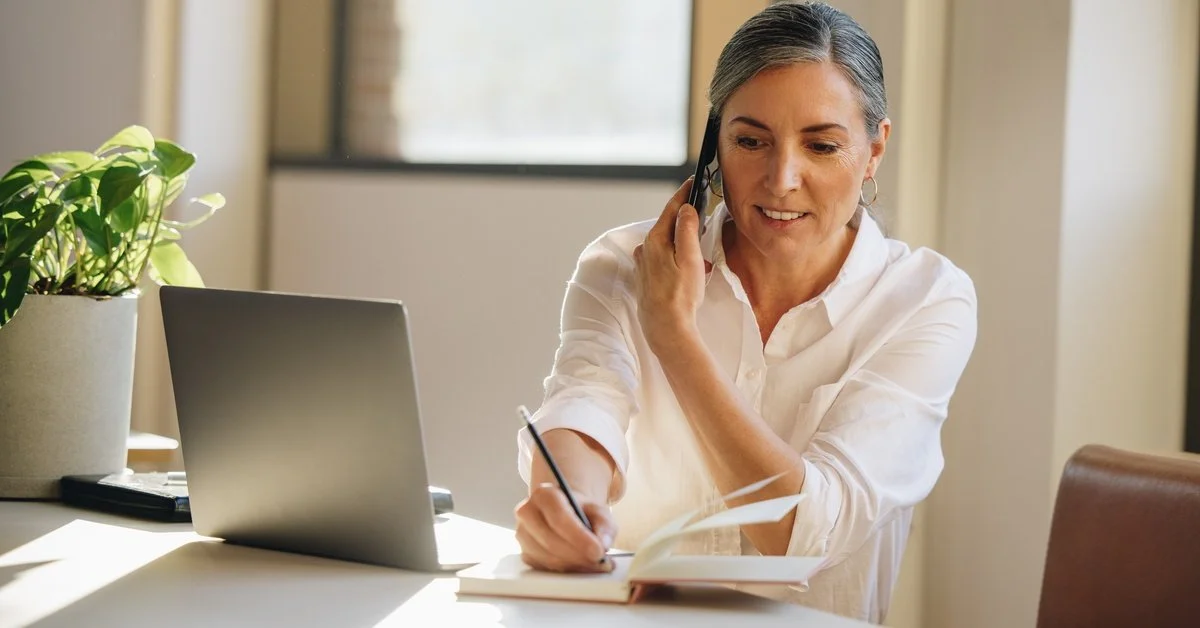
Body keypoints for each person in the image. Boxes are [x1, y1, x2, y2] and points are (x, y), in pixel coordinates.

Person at [513, 1, 977, 623]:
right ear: (713, 148)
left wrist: (675, 337)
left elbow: (802, 530)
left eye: (822, 145)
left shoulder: (925, 300)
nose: (781, 178)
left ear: (873, 151)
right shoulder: (624, 266)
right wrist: (566, 504)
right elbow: (584, 401)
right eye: (751, 140)